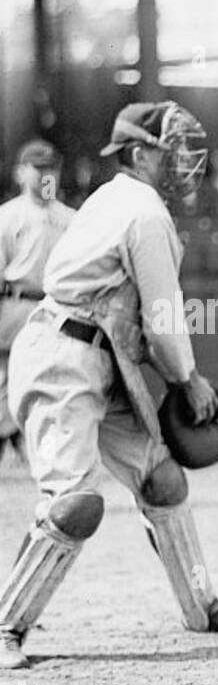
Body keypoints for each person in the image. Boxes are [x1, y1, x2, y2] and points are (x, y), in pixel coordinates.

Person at [0, 101, 218, 670]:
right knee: (74, 505)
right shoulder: (144, 212)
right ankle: (7, 625)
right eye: (174, 149)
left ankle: (202, 607)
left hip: (100, 354)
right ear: (140, 154)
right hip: (62, 356)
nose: (186, 161)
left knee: (162, 481)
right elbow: (163, 317)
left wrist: (179, 375)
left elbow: (134, 319)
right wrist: (187, 381)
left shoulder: (115, 200)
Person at [0, 140, 75, 466]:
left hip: (55, 310)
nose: (47, 174)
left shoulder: (70, 218)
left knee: (51, 388)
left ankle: (39, 455)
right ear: (21, 172)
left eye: (51, 168)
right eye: (39, 168)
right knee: (5, 385)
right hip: (15, 306)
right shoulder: (8, 215)